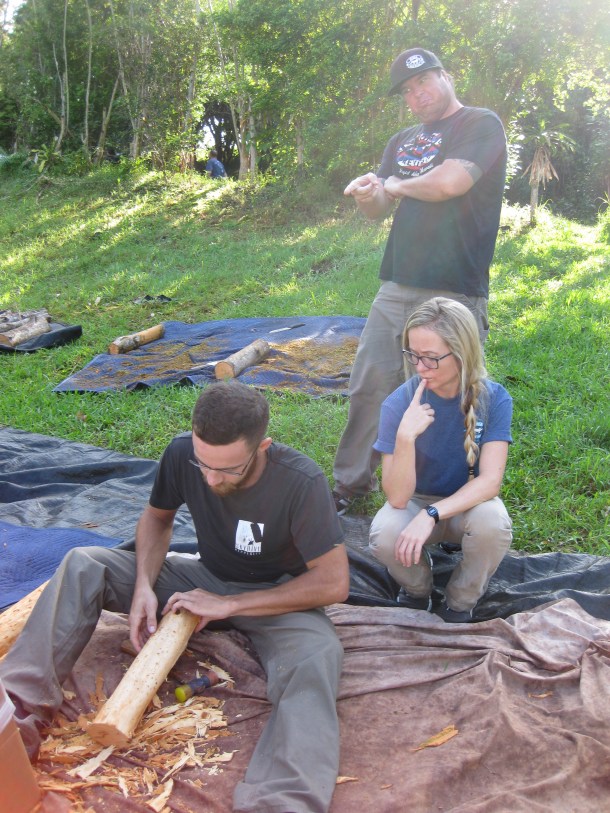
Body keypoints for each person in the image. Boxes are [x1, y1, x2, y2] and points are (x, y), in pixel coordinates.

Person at [0, 381, 350, 813]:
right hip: (204, 575)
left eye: (228, 470)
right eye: (203, 465)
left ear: (263, 447)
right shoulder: (182, 452)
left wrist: (230, 605)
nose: (211, 478)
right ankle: (15, 720)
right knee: (84, 561)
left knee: (317, 657)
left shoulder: (301, 481)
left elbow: (334, 583)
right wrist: (145, 585)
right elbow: (157, 518)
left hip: (276, 597)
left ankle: (281, 802)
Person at [333, 47, 507, 514]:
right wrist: (369, 193)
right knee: (369, 384)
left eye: (424, 81)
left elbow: (451, 183)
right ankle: (350, 486)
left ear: (446, 76)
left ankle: (450, 496)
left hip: (455, 288)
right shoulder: (402, 140)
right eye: (408, 91)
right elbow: (378, 211)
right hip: (397, 283)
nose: (417, 94)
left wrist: (391, 184)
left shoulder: (480, 124)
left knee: (447, 390)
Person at [368, 297, 513, 622]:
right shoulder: (397, 405)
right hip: (416, 501)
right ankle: (418, 590)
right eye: (413, 355)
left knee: (493, 524)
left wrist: (433, 514)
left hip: (468, 505)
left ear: (463, 353)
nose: (420, 368)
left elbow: (490, 482)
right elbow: (397, 497)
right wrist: (405, 438)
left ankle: (460, 601)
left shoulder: (494, 399)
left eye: (431, 358)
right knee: (385, 534)